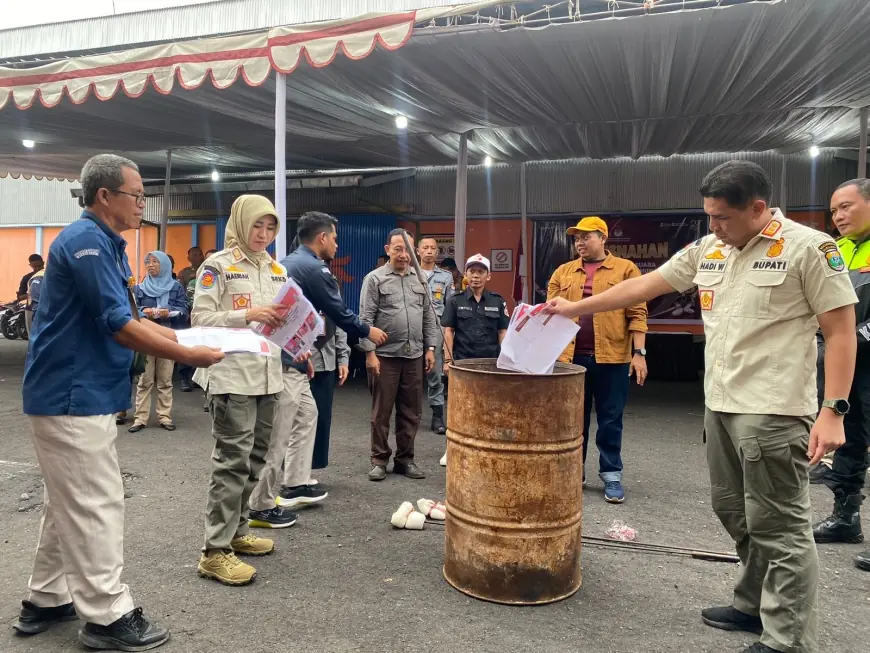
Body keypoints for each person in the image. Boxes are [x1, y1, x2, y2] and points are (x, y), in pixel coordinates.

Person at [545, 160, 858, 653]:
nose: (713, 225)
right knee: (733, 509)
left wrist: (833, 409)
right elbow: (644, 286)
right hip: (722, 403)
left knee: (780, 526)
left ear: (757, 208)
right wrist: (573, 308)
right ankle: (752, 604)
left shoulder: (807, 248)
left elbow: (840, 332)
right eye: (708, 215)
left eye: (722, 217)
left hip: (774, 409)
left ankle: (789, 639)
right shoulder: (710, 248)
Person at [15, 153, 223, 650]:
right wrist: (186, 352)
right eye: (136, 194)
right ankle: (108, 615)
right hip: (71, 394)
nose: (141, 204)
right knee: (96, 504)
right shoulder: (87, 241)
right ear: (104, 196)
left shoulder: (102, 244)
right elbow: (119, 324)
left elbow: (131, 315)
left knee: (65, 502)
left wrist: (187, 337)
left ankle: (46, 597)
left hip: (75, 393)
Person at [248, 211, 386, 527]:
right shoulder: (313, 267)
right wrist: (367, 332)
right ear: (322, 238)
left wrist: (304, 353)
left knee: (307, 415)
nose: (337, 244)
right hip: (283, 364)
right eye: (334, 238)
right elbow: (338, 309)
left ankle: (296, 482)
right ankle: (260, 505)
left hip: (292, 358)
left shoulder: (291, 262)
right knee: (277, 433)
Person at [191, 194, 291, 586]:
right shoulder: (217, 266)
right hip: (232, 377)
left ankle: (237, 531)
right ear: (240, 223)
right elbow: (200, 319)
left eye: (270, 227)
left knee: (256, 459)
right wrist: (245, 315)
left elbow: (280, 322)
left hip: (269, 375)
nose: (263, 234)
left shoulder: (277, 269)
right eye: (257, 225)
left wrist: (299, 346)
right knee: (231, 461)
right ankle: (214, 551)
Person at [546, 216, 649, 503]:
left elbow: (637, 314)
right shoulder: (563, 272)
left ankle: (611, 474)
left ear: (603, 238)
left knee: (610, 419)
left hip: (613, 358)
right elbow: (550, 315)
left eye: (586, 236)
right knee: (571, 420)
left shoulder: (626, 270)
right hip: (571, 359)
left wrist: (639, 354)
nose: (579, 242)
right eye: (576, 238)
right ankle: (572, 472)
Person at [811, 179, 870, 572]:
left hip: (863, 351)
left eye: (846, 207)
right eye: (834, 210)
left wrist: (856, 337)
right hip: (847, 364)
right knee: (849, 438)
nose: (838, 216)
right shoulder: (839, 251)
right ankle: (845, 518)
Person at [360, 229, 437, 481]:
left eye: (407, 250)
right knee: (381, 412)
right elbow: (365, 319)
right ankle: (379, 460)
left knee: (412, 411)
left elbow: (428, 317)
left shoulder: (421, 280)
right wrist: (370, 354)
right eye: (397, 249)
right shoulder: (375, 279)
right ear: (387, 250)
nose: (403, 255)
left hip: (414, 354)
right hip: (385, 356)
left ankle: (405, 459)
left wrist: (430, 348)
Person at [440, 254, 509, 466]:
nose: (476, 276)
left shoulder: (498, 301)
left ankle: (486, 448)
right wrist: (447, 360)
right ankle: (452, 448)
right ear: (466, 275)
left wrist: (507, 360)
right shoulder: (455, 301)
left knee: (489, 408)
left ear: (489, 276)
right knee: (459, 408)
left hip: (490, 365)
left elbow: (503, 332)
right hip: (462, 364)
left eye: (480, 272)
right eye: (472, 271)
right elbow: (448, 331)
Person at [128, 251, 188, 433]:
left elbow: (183, 309)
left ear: (165, 265)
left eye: (155, 262)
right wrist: (146, 311)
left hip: (167, 336)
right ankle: (140, 418)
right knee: (145, 379)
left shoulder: (175, 287)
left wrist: (167, 310)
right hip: (146, 336)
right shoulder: (140, 288)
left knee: (165, 378)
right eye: (148, 262)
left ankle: (164, 416)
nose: (151, 265)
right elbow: (133, 309)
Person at [417, 236, 454, 435]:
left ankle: (438, 414)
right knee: (411, 370)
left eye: (433, 248)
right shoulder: (409, 273)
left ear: (437, 253)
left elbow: (449, 305)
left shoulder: (446, 277)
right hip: (414, 325)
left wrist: (449, 330)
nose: (429, 251)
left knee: (435, 370)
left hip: (437, 326)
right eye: (426, 248)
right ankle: (409, 414)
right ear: (418, 251)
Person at [309, 325, 350, 472]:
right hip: (299, 363)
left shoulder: (333, 300)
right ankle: (293, 474)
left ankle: (310, 470)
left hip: (327, 364)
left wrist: (343, 359)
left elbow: (339, 325)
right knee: (296, 420)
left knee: (322, 419)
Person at [20, 254, 44, 334]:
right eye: (34, 266)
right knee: (32, 334)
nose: (37, 269)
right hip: (30, 309)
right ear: (30, 265)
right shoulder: (27, 278)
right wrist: (32, 293)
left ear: (43, 263)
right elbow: (20, 296)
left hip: (46, 307)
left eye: (39, 266)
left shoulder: (49, 275)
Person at [26, 264, 45, 336]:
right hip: (40, 310)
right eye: (34, 266)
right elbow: (37, 296)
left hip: (37, 309)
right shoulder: (39, 276)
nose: (37, 267)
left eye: (39, 265)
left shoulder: (41, 275)